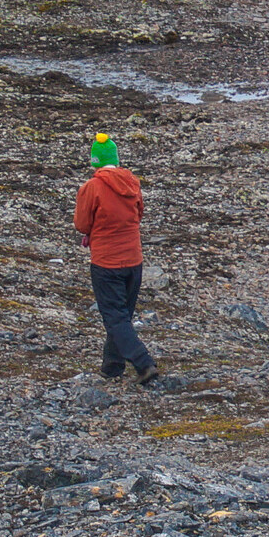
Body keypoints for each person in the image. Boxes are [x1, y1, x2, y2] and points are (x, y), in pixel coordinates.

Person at [73, 132, 159, 385]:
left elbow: (81, 223)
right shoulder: (132, 182)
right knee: (122, 315)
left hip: (106, 261)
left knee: (115, 316)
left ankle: (144, 363)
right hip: (134, 259)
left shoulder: (92, 187)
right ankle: (112, 366)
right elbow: (139, 212)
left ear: (95, 160)